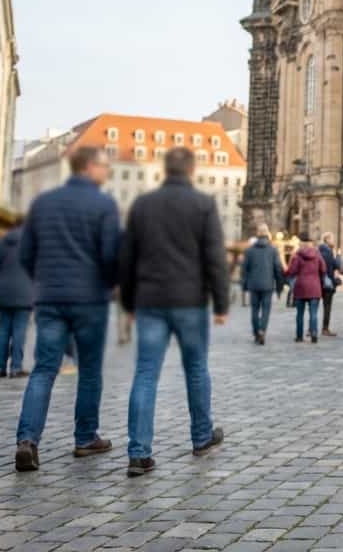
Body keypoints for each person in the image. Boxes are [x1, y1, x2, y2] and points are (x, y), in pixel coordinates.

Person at [118, 146, 230, 477]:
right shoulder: (203, 204)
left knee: (145, 373)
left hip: (150, 300)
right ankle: (201, 437)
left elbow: (127, 258)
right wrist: (221, 303)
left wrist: (129, 302)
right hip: (190, 301)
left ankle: (138, 453)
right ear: (192, 170)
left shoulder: (142, 204)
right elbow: (215, 258)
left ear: (165, 169)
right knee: (196, 368)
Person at [13, 145, 120, 472]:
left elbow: (25, 254)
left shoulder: (43, 203)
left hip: (49, 299)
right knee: (89, 370)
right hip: (89, 301)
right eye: (104, 166)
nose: (107, 172)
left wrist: (43, 282)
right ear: (89, 167)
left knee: (44, 369)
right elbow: (111, 255)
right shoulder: (103, 204)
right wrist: (109, 284)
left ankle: (27, 440)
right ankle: (85, 438)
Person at [0, 225, 34, 377]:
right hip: (25, 291)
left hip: (2, 290)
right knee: (19, 330)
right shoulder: (32, 242)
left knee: (3, 329)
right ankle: (16, 367)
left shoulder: (1, 242)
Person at [240, 223, 284, 345]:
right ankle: (262, 330)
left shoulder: (249, 250)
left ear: (257, 234)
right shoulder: (273, 250)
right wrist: (279, 285)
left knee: (254, 309)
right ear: (267, 233)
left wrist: (244, 284)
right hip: (267, 285)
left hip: (253, 284)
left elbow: (244, 269)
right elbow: (278, 268)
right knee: (266, 309)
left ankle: (256, 332)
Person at [285, 236, 327, 343]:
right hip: (314, 287)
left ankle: (299, 336)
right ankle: (314, 334)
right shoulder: (317, 255)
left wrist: (285, 273)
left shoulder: (297, 256)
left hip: (301, 287)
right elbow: (323, 269)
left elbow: (292, 271)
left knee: (300, 314)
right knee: (313, 313)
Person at [318, 233, 341, 337]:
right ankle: (325, 328)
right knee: (327, 307)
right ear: (327, 240)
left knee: (314, 307)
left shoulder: (318, 250)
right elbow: (337, 265)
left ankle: (311, 328)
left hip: (318, 282)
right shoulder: (329, 252)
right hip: (328, 283)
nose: (333, 241)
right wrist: (338, 255)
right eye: (332, 239)